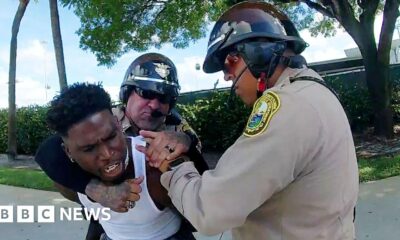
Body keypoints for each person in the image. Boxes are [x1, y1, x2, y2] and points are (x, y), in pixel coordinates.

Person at [140, 2, 359, 239]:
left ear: (259, 54)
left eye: (229, 62)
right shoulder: (314, 91)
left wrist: (172, 164)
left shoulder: (286, 108)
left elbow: (210, 209)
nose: (226, 75)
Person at [35, 53, 208, 239]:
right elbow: (49, 151)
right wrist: (95, 190)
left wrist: (186, 143)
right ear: (127, 93)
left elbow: (202, 193)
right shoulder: (103, 115)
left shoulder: (179, 129)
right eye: (146, 93)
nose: (155, 105)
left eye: (165, 98)